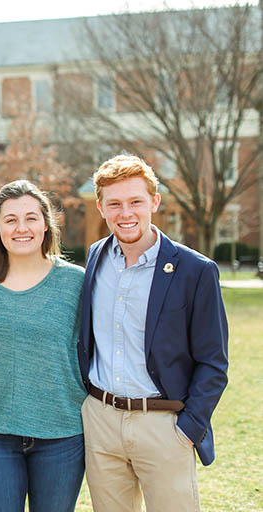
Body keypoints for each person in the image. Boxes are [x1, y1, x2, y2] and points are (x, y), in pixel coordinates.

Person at [78, 154, 229, 512]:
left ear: (155, 202)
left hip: (164, 424)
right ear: (100, 207)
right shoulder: (96, 256)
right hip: (102, 421)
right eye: (114, 203)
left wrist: (188, 428)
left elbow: (214, 362)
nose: (125, 213)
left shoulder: (196, 270)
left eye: (135, 202)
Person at [0, 180, 86, 512]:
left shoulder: (76, 282)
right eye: (10, 219)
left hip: (62, 433)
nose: (21, 228)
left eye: (31, 218)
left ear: (46, 224)